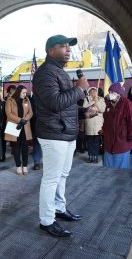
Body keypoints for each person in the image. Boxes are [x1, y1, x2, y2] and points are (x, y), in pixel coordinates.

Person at [33, 34, 89, 238]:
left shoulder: (58, 71)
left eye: (69, 46)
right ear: (50, 50)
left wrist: (84, 113)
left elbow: (64, 107)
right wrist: (79, 90)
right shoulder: (45, 73)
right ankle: (47, 220)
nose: (68, 49)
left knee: (62, 175)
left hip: (65, 133)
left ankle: (59, 208)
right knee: (51, 178)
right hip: (53, 134)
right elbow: (54, 102)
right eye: (63, 46)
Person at [102, 83, 132, 168]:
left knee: (121, 171)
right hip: (109, 141)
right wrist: (103, 131)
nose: (110, 94)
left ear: (119, 93)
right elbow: (106, 120)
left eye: (113, 92)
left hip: (122, 140)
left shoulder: (126, 103)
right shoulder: (108, 104)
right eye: (109, 92)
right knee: (108, 170)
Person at [4, 85, 33, 175]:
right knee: (16, 147)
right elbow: (8, 114)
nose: (25, 94)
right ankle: (18, 166)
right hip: (14, 126)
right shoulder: (10, 100)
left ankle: (24, 166)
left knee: (25, 147)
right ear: (19, 92)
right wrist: (20, 120)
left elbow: (30, 112)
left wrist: (24, 120)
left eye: (25, 93)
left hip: (24, 126)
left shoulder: (27, 100)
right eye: (23, 93)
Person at [83, 87, 106, 163]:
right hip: (89, 124)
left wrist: (96, 101)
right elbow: (85, 108)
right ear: (89, 93)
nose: (93, 93)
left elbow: (102, 109)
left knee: (96, 142)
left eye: (94, 91)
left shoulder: (101, 99)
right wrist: (92, 101)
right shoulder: (86, 99)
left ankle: (95, 156)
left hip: (98, 125)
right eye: (91, 91)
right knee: (90, 142)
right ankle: (90, 156)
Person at [29, 92, 42, 170]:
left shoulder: (50, 96)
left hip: (47, 124)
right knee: (37, 143)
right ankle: (36, 162)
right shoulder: (33, 98)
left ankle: (39, 162)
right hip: (36, 124)